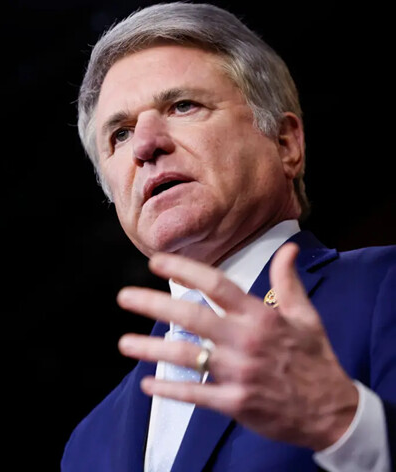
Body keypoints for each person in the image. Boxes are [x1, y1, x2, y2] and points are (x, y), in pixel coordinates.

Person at [60, 2, 395, 471]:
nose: (145, 145)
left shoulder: (385, 287)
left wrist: (346, 427)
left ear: (285, 143)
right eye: (119, 134)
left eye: (182, 106)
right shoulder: (86, 446)